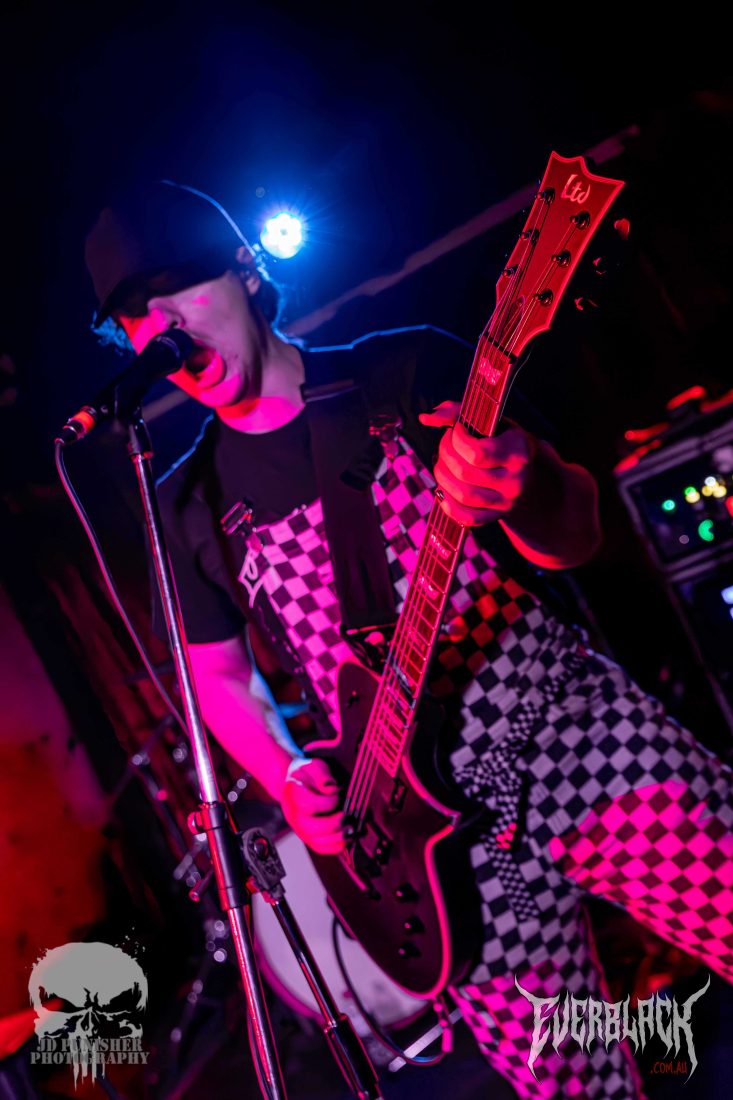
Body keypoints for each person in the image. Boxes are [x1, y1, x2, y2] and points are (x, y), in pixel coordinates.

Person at [84, 180, 733, 1099]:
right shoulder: (187, 504)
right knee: (573, 1088)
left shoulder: (405, 371)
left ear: (244, 269)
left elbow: (575, 535)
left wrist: (524, 483)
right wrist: (287, 775)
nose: (166, 330)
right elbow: (217, 680)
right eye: (137, 320)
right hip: (421, 840)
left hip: (568, 732)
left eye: (175, 289)